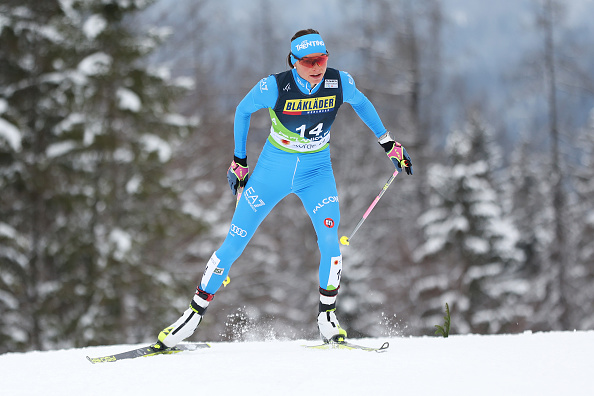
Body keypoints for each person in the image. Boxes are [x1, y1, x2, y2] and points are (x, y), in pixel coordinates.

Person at [154, 28, 412, 350]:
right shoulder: (274, 87)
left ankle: (327, 318)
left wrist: (388, 143)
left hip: (316, 173)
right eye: (308, 62)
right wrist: (239, 160)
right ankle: (191, 317)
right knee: (234, 243)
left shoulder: (339, 82)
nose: (317, 67)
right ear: (293, 62)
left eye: (322, 59)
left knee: (331, 243)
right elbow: (242, 110)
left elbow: (362, 103)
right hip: (272, 172)